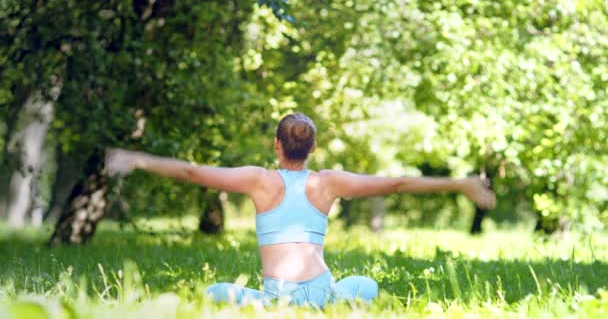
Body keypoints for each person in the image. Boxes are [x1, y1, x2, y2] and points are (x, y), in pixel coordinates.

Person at [105, 113, 495, 308]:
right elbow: (397, 183)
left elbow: (193, 172)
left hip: (277, 300)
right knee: (366, 287)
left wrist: (136, 159)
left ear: (277, 144)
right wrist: (460, 183)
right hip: (322, 295)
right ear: (313, 147)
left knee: (214, 293)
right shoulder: (327, 182)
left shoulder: (259, 180)